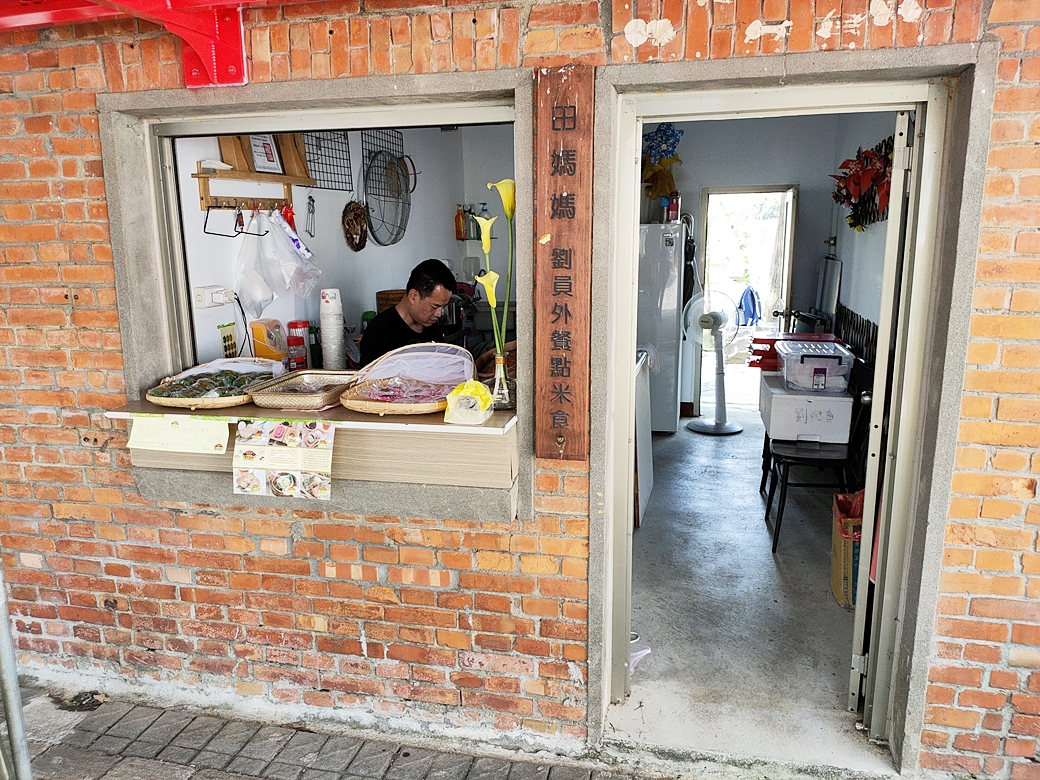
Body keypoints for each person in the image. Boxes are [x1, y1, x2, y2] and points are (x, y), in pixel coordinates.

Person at [359, 259, 456, 366]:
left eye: (443, 307)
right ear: (413, 296)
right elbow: (368, 381)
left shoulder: (431, 327)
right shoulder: (379, 332)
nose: (439, 313)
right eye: (435, 306)